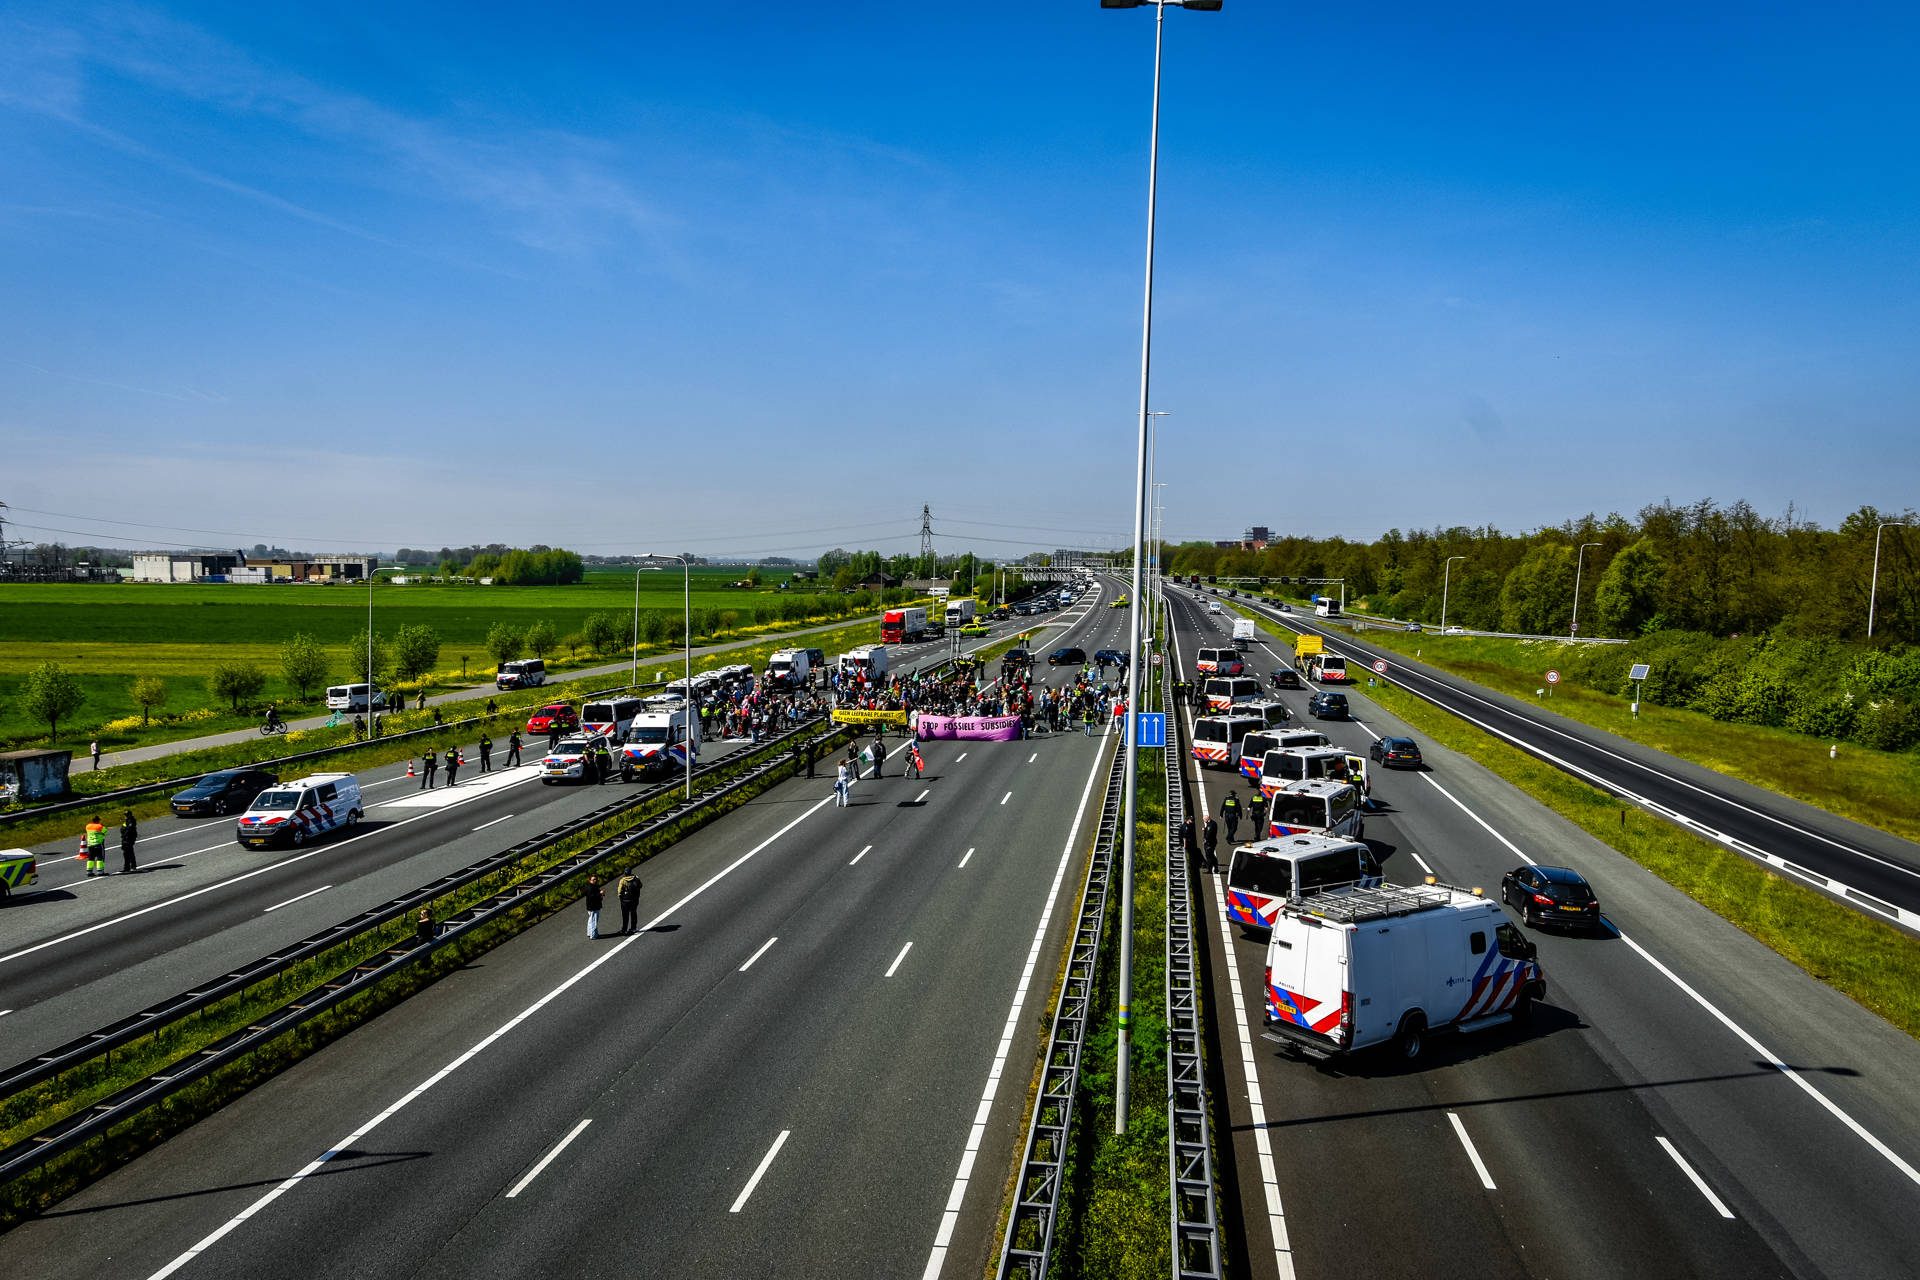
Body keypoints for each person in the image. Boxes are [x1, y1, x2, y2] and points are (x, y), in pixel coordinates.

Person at [616, 868, 642, 936]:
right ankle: (633, 928)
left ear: (624, 873)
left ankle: (624, 929)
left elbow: (619, 891)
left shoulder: (622, 880)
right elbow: (640, 886)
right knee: (633, 913)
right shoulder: (636, 878)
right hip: (634, 899)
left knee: (625, 915)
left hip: (625, 901)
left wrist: (620, 897)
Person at [119, 809, 138, 874]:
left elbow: (129, 829)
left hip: (129, 838)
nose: (125, 816)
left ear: (130, 815)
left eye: (126, 815)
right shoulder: (127, 820)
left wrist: (125, 835)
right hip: (126, 838)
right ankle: (129, 867)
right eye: (125, 814)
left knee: (128, 853)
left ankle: (130, 867)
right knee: (127, 852)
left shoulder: (131, 820)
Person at [584, 874, 603, 940]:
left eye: (596, 879)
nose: (595, 880)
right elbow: (592, 897)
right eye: (593, 879)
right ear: (590, 880)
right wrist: (600, 893)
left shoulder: (591, 886)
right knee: (594, 921)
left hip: (591, 906)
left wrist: (600, 894)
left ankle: (590, 933)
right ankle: (593, 935)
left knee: (590, 920)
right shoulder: (591, 888)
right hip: (593, 907)